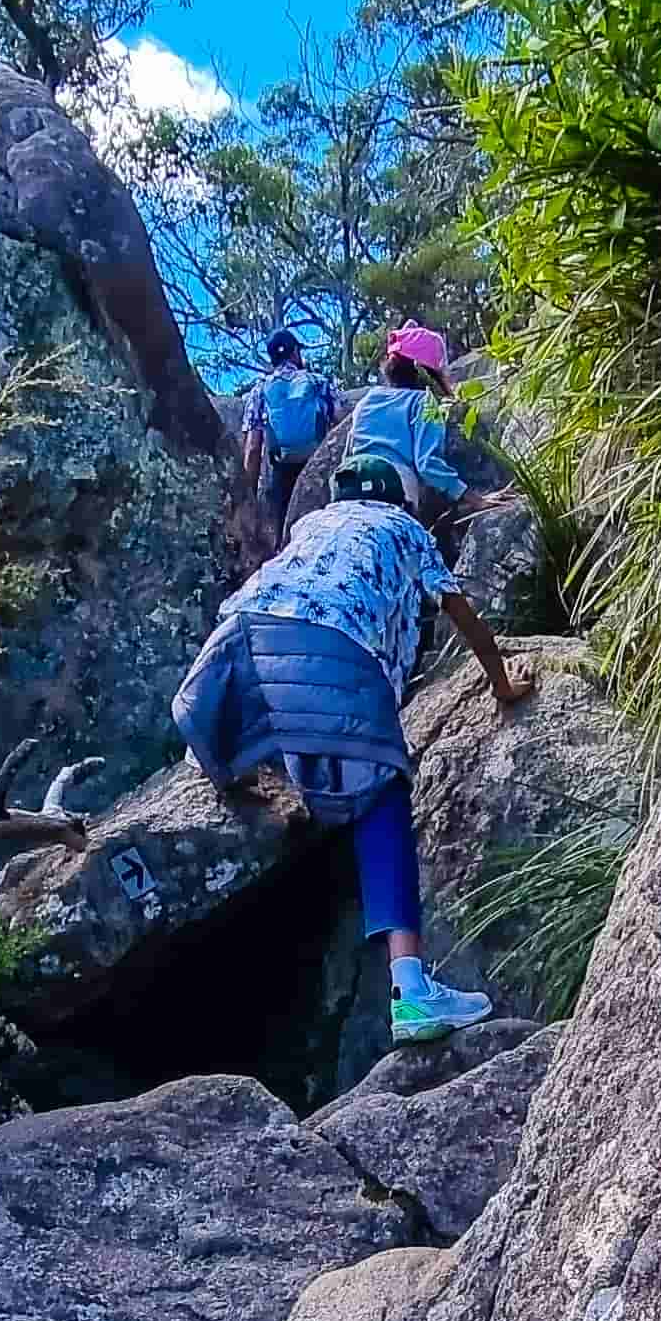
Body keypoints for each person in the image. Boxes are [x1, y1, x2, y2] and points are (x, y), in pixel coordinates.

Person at [172, 448, 536, 1045]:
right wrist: (501, 682)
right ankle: (412, 989)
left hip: (232, 644)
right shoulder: (405, 529)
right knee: (382, 795)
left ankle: (223, 767)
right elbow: (457, 606)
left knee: (276, 763)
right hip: (329, 651)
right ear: (398, 499)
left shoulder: (314, 524)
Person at [341, 321, 469, 515]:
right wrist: (470, 496)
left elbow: (347, 455)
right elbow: (427, 464)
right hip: (394, 488)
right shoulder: (423, 401)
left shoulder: (368, 400)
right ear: (428, 373)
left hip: (349, 485)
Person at [242, 324, 338, 546]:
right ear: (295, 352)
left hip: (281, 471)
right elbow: (342, 422)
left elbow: (253, 448)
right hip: (317, 467)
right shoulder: (318, 382)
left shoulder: (260, 390)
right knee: (319, 538)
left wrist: (247, 495)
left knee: (284, 539)